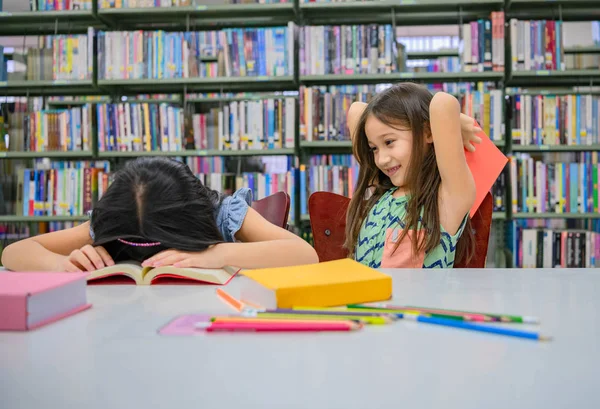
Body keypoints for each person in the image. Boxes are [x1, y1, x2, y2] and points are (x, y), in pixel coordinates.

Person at [1, 157, 318, 272]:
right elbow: (14, 252)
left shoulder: (221, 212)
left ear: (194, 221)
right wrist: (61, 264)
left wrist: (214, 254)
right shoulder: (116, 219)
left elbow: (305, 254)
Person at [344, 83, 481, 268]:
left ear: (428, 132)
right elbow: (356, 110)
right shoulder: (382, 191)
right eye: (374, 148)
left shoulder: (446, 201)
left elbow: (443, 104)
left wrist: (456, 120)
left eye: (389, 142)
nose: (381, 159)